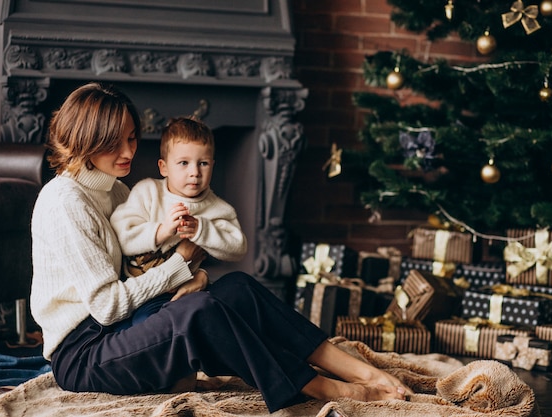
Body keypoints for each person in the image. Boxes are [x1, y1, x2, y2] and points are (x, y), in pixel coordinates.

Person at [30, 82, 411, 414]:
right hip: (85, 354)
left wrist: (194, 276)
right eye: (115, 143)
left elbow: (140, 267)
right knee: (202, 311)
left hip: (126, 326)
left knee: (238, 288)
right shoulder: (66, 202)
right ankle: (324, 388)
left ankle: (362, 371)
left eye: (132, 137)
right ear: (86, 141)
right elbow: (108, 305)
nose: (129, 150)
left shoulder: (114, 188)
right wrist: (181, 264)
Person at [109, 115, 247, 326]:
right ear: (164, 167)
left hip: (188, 289)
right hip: (145, 292)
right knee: (148, 326)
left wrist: (202, 230)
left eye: (203, 163)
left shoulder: (216, 207)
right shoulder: (148, 192)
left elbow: (238, 247)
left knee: (211, 318)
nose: (194, 173)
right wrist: (161, 231)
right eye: (183, 163)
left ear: (213, 165)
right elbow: (122, 236)